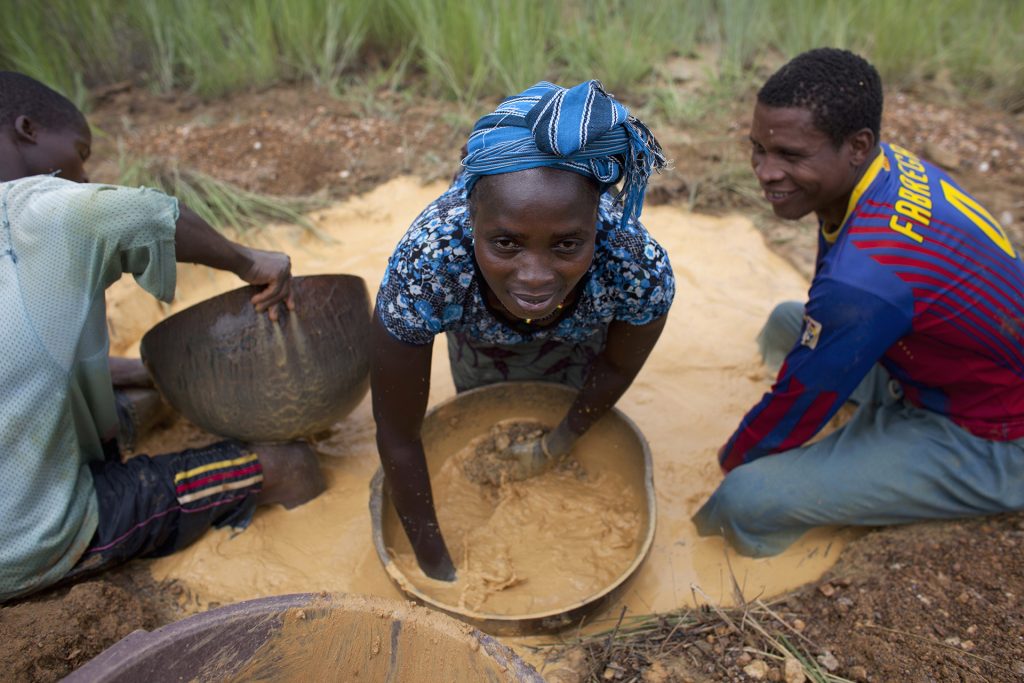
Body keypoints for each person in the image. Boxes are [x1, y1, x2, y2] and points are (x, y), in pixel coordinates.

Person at [0, 72, 325, 602]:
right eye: (81, 152)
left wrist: (149, 374)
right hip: (28, 539)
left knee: (154, 397)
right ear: (26, 129)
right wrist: (249, 261)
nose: (84, 172)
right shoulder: (29, 209)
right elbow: (147, 214)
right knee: (292, 464)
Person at [693, 48, 1024, 557]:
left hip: (990, 433)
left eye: (791, 156)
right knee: (785, 325)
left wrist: (728, 460)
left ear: (857, 145)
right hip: (936, 368)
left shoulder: (865, 277)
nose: (765, 171)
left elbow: (799, 402)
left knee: (743, 500)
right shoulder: (884, 169)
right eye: (758, 148)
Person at [372, 80, 674, 580]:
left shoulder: (634, 265)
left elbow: (617, 366)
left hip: (580, 335)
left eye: (566, 245)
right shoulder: (429, 267)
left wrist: (557, 443)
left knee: (569, 401)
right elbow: (398, 434)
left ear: (596, 224)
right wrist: (437, 568)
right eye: (506, 244)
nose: (534, 277)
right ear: (471, 219)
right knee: (483, 411)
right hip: (478, 336)